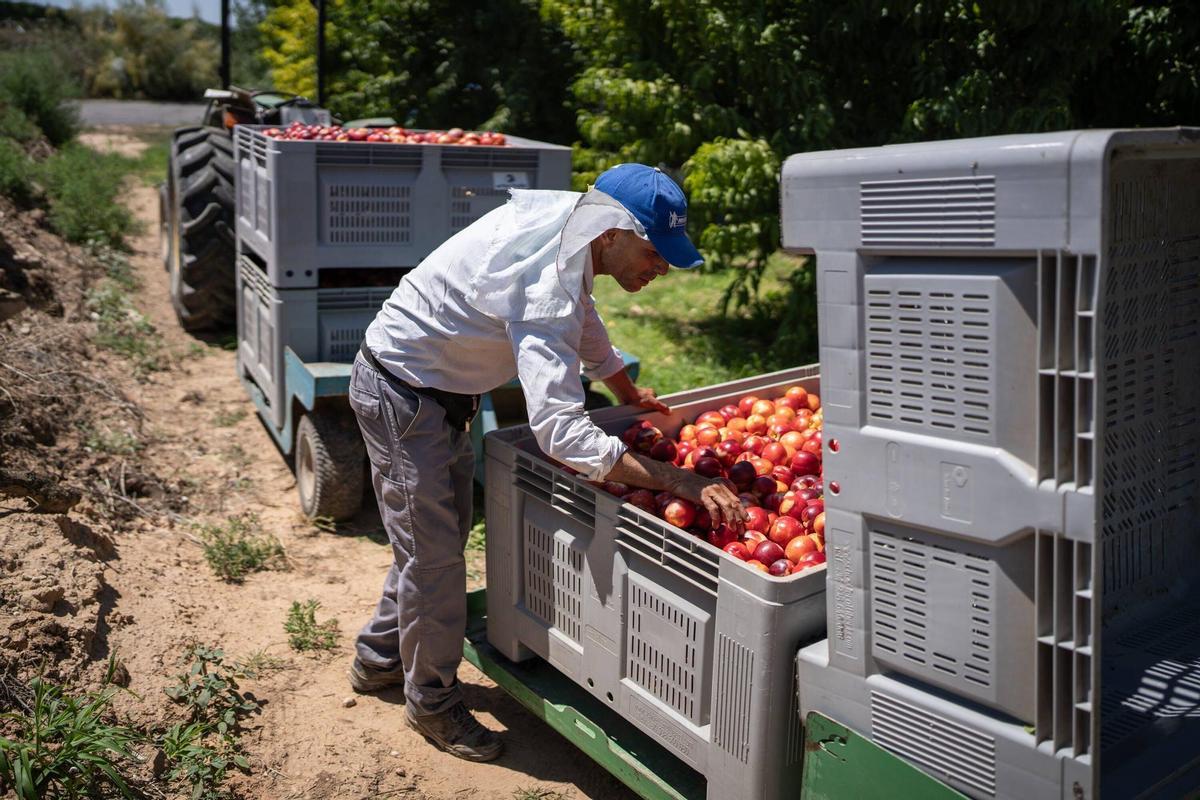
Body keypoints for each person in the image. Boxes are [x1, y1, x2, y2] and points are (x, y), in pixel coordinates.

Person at [347, 163, 748, 761]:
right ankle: (431, 702)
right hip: (405, 394)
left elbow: (582, 318)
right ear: (612, 233)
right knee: (432, 556)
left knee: (434, 540)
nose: (660, 267)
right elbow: (560, 433)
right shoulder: (547, 281)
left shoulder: (573, 232)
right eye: (653, 252)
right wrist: (678, 480)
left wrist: (623, 388)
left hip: (437, 391)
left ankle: (379, 658)